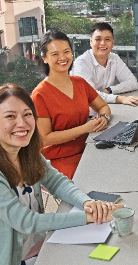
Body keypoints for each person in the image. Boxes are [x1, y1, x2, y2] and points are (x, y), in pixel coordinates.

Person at [0, 84, 122, 265]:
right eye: (10, 116)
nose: (22, 123)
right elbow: (26, 222)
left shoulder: (26, 152)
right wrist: (88, 217)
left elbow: (57, 182)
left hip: (29, 251)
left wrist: (86, 202)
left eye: (27, 114)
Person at [31, 30, 111, 179]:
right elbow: (45, 138)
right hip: (57, 160)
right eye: (55, 54)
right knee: (99, 179)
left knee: (115, 167)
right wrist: (85, 128)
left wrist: (104, 118)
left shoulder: (80, 83)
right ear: (44, 58)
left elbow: (103, 106)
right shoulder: (39, 95)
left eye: (66, 52)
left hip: (87, 149)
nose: (62, 58)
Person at [72, 22, 138, 107]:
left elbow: (132, 82)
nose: (102, 43)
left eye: (107, 39)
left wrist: (109, 90)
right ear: (91, 42)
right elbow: (90, 94)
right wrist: (120, 99)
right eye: (98, 39)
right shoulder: (81, 63)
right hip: (85, 113)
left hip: (106, 108)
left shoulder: (114, 58)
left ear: (112, 43)